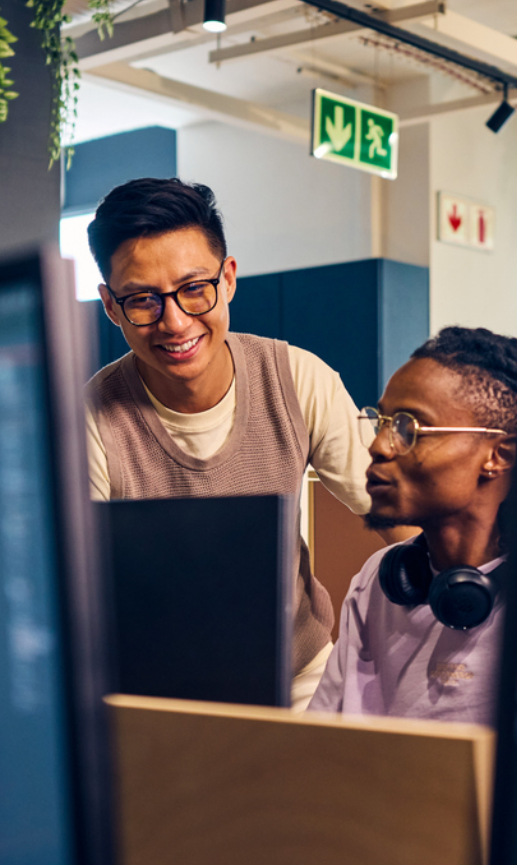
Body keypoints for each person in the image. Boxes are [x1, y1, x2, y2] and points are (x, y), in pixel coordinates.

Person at [84, 177, 387, 710]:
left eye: (194, 288)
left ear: (228, 279)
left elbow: (396, 507)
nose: (174, 322)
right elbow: (78, 594)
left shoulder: (297, 377)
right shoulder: (91, 418)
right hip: (155, 689)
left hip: (301, 675)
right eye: (142, 300)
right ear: (111, 306)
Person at [307, 326, 517, 725]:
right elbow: (319, 742)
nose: (378, 445)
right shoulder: (379, 582)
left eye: (408, 427)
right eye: (381, 421)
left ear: (497, 456)